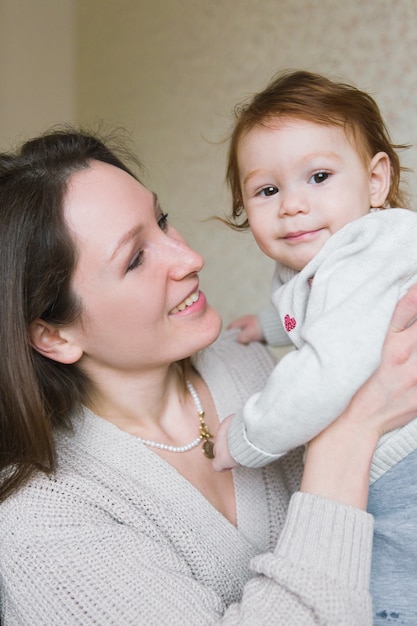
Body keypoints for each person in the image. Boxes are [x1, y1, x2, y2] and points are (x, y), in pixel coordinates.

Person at [1, 130, 417, 626]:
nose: (191, 258)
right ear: (53, 335)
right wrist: (348, 433)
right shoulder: (40, 522)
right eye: (135, 259)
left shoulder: (240, 362)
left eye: (162, 221)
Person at [212, 70, 417, 623]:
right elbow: (325, 318)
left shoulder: (365, 250)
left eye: (319, 176)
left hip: (408, 465)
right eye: (268, 190)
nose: (293, 205)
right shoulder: (326, 263)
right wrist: (267, 327)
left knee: (392, 589)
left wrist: (247, 435)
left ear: (376, 182)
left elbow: (330, 368)